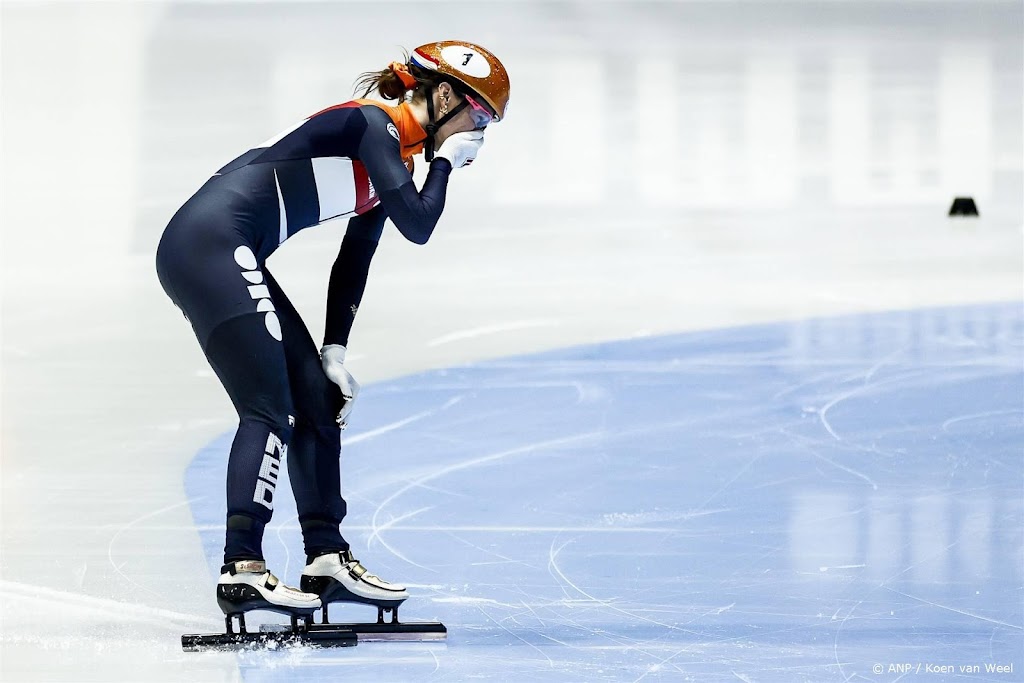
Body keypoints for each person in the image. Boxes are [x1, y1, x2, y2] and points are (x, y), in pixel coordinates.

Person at [156, 41, 510, 624]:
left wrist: (334, 353)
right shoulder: (373, 127)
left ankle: (326, 559)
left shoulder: (393, 157)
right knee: (268, 408)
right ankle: (241, 569)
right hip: (210, 245)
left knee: (316, 400)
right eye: (480, 115)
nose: (481, 133)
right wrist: (445, 162)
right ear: (444, 95)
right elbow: (420, 226)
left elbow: (355, 260)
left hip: (228, 250)